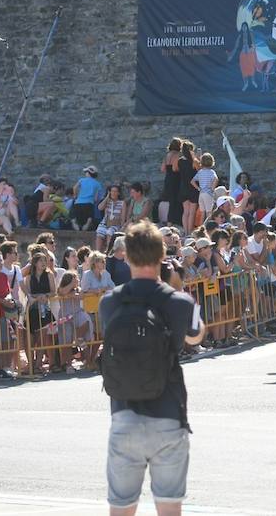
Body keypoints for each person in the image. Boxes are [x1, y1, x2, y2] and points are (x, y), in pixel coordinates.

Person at [98, 220, 202, 516]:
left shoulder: (110, 302)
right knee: (169, 508)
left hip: (123, 415)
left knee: (121, 509)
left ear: (127, 256)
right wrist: (177, 286)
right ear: (162, 256)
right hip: (167, 414)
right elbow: (196, 335)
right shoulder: (179, 301)